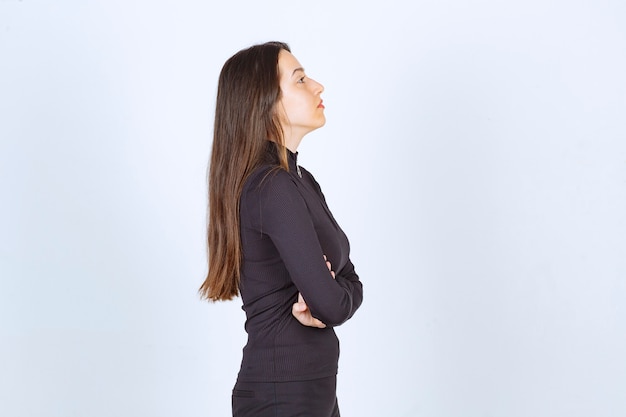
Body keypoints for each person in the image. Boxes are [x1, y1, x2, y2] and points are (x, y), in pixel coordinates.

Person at [199, 41, 363, 417]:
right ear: (265, 103)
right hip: (281, 398)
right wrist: (332, 295)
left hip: (312, 391)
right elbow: (332, 304)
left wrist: (336, 291)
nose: (318, 86)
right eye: (301, 80)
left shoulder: (300, 180)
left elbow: (349, 280)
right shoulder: (271, 187)